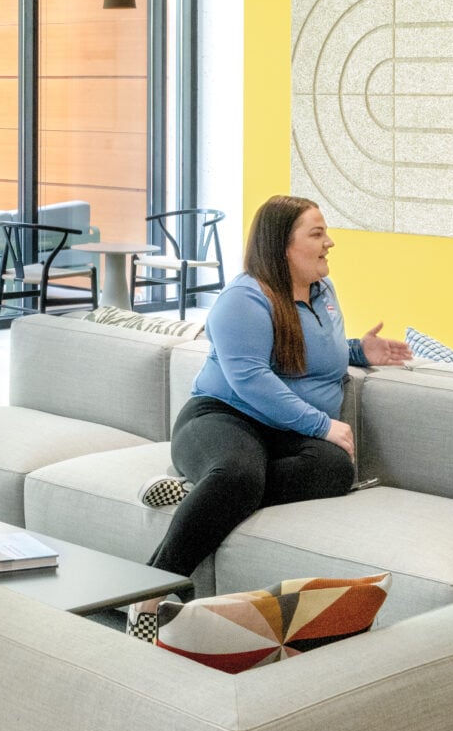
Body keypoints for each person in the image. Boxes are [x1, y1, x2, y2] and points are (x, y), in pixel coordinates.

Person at [143, 194, 411, 584]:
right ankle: (151, 589)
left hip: (283, 432)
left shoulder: (322, 291)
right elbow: (250, 379)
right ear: (283, 246)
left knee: (335, 469)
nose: (329, 243)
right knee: (239, 475)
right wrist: (322, 425)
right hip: (223, 416)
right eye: (317, 234)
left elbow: (311, 352)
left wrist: (358, 350)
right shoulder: (243, 299)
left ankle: (202, 491)